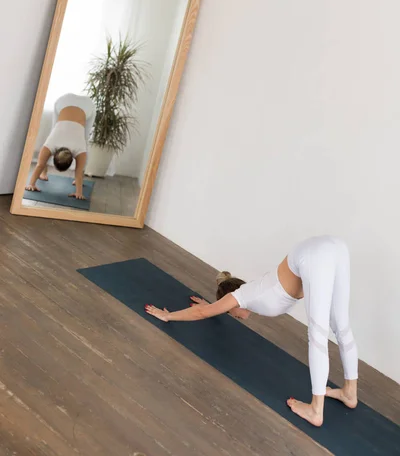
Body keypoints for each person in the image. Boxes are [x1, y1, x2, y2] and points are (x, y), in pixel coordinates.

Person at [145, 235, 358, 427]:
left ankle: (315, 410)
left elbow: (204, 313)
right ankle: (349, 392)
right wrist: (208, 305)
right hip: (336, 247)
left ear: (230, 302)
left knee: (317, 335)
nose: (233, 315)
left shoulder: (243, 295)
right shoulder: (253, 291)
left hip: (314, 255)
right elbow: (210, 310)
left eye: (230, 311)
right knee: (341, 326)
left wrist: (168, 315)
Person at [26, 93, 96, 200]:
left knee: (82, 137)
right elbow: (78, 171)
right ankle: (46, 175)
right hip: (65, 101)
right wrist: (78, 192)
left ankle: (44, 174)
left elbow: (40, 164)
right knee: (82, 138)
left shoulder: (77, 148)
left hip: (82, 104)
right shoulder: (54, 145)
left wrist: (31, 184)